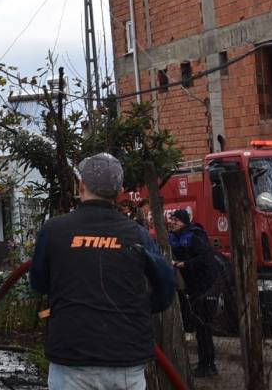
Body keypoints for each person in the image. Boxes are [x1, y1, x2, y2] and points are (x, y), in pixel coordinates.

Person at [29, 153, 177, 390]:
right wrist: (140, 307)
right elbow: (167, 285)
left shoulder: (54, 230)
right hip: (126, 359)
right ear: (120, 192)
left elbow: (38, 283)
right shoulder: (137, 235)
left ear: (81, 186)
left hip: (72, 359)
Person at [168, 208, 218, 377]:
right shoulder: (173, 237)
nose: (172, 222)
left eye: (176, 220)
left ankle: (208, 365)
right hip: (193, 287)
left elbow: (206, 258)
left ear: (184, 222)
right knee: (199, 327)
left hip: (206, 286)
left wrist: (185, 264)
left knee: (204, 327)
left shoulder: (195, 235)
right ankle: (204, 364)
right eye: (172, 219)